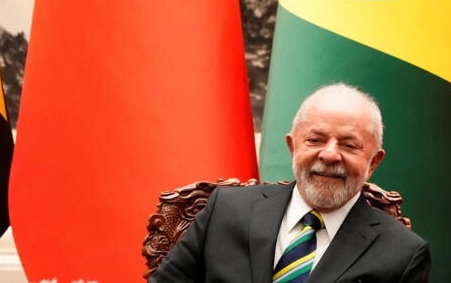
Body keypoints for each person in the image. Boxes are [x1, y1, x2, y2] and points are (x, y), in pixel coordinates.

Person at [150, 83, 431, 282]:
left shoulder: (403, 255)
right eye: (315, 140)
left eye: (349, 145)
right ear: (292, 147)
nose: (329, 155)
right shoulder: (225, 211)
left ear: (373, 162)